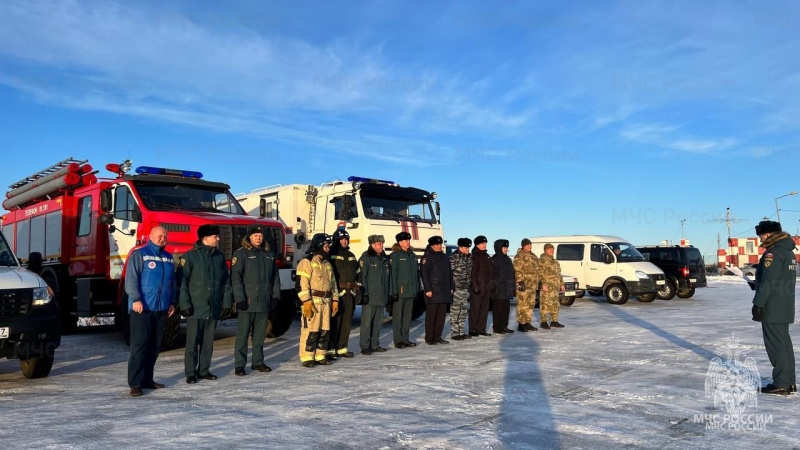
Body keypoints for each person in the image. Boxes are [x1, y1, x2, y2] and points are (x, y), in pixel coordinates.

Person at [125, 226, 176, 397]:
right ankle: (135, 383)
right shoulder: (140, 255)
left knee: (154, 346)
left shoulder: (168, 258)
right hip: (142, 308)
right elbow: (131, 279)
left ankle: (147, 379)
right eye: (160, 236)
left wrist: (171, 302)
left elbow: (171, 283)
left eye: (165, 236)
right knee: (139, 346)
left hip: (161, 308)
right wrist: (136, 299)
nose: (163, 238)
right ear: (150, 236)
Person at [178, 224, 232, 384]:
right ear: (205, 238)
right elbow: (182, 282)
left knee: (208, 342)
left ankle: (204, 370)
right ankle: (190, 372)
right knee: (192, 342)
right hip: (196, 307)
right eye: (216, 236)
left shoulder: (219, 257)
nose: (219, 239)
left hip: (213, 306)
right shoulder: (190, 256)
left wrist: (226, 303)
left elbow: (225, 282)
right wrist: (185, 304)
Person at [751, 220, 797, 395]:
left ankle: (781, 383)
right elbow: (778, 279)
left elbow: (770, 281)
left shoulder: (773, 253)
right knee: (784, 345)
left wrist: (758, 303)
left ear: (768, 234)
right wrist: (757, 284)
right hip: (784, 305)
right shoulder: (787, 252)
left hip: (772, 306)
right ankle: (789, 381)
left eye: (761, 235)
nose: (761, 239)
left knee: (776, 346)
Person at [231, 224, 280, 376]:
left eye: (260, 235)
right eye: (255, 235)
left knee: (259, 335)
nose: (258, 238)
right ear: (249, 237)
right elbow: (236, 278)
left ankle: (258, 362)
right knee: (243, 335)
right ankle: (240, 364)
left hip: (264, 301)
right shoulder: (241, 254)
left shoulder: (268, 254)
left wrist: (275, 297)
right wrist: (239, 298)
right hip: (248, 302)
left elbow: (275, 279)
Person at [296, 233, 339, 367]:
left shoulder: (327, 264)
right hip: (313, 302)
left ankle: (320, 354)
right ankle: (307, 357)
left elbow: (333, 284)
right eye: (326, 246)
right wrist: (306, 301)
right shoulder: (307, 262)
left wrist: (335, 300)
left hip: (326, 302)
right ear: (319, 246)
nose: (328, 249)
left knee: (324, 330)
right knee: (311, 331)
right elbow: (302, 283)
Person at [328, 228, 359, 359]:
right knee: (335, 322)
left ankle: (342, 348)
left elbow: (358, 273)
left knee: (346, 322)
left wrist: (358, 289)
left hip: (349, 293)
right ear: (336, 240)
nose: (344, 241)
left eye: (346, 239)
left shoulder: (351, 255)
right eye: (341, 239)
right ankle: (330, 349)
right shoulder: (331, 254)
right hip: (337, 293)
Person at [358, 234, 391, 355]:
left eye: (382, 243)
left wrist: (389, 294)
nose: (381, 246)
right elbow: (362, 277)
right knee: (366, 323)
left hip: (381, 297)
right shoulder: (366, 258)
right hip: (370, 297)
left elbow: (388, 279)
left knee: (378, 323)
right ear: (372, 245)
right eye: (378, 244)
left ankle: (375, 344)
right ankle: (364, 345)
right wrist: (364, 293)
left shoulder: (384, 259)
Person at [421, 236, 454, 345]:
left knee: (441, 316)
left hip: (444, 291)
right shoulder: (427, 257)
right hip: (433, 291)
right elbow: (424, 274)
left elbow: (450, 273)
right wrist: (428, 289)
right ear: (431, 245)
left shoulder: (444, 257)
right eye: (436, 245)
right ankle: (429, 338)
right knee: (431, 316)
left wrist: (451, 287)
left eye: (440, 244)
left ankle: (438, 336)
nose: (439, 246)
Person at [390, 231, 420, 348]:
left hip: (411, 291)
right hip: (400, 291)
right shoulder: (395, 256)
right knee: (398, 317)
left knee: (407, 317)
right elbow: (393, 275)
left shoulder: (412, 255)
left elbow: (416, 275)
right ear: (400, 242)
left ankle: (406, 339)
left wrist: (417, 289)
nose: (408, 242)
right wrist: (394, 291)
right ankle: (398, 341)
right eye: (405, 241)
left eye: (408, 240)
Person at [469, 235, 493, 337]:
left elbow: (491, 272)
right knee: (475, 309)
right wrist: (475, 286)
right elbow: (473, 273)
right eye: (483, 243)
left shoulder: (487, 256)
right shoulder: (475, 256)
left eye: (485, 243)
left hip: (486, 288)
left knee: (484, 310)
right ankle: (473, 329)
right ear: (477, 244)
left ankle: (481, 329)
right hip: (477, 288)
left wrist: (491, 285)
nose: (485, 245)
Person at [513, 238, 539, 332]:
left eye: (530, 245)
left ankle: (528, 323)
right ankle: (521, 324)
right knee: (522, 304)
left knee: (530, 304)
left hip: (532, 285)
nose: (530, 246)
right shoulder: (519, 256)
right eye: (528, 245)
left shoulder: (533, 256)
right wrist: (520, 281)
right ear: (523, 246)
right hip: (523, 284)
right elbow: (517, 269)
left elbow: (537, 268)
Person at [490, 239, 515, 334]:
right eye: (504, 247)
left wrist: (513, 287)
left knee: (506, 310)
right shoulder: (494, 259)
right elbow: (491, 275)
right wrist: (494, 287)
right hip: (498, 290)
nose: (506, 249)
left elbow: (512, 274)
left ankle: (504, 326)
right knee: (498, 310)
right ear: (499, 248)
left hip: (507, 289)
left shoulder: (508, 259)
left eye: (506, 247)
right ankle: (497, 327)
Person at [450, 238, 473, 340]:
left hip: (465, 288)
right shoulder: (453, 258)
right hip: (457, 288)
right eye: (466, 247)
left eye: (468, 247)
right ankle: (455, 333)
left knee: (463, 311)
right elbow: (450, 274)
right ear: (460, 247)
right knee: (455, 311)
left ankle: (461, 332)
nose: (468, 249)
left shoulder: (469, 258)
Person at [539, 243, 565, 329]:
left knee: (555, 304)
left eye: (552, 249)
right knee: (545, 304)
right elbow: (539, 274)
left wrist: (562, 284)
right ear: (545, 250)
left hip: (555, 287)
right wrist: (542, 284)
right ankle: (544, 322)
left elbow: (559, 274)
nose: (552, 251)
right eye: (550, 249)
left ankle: (554, 321)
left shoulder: (556, 262)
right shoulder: (542, 261)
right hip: (547, 287)